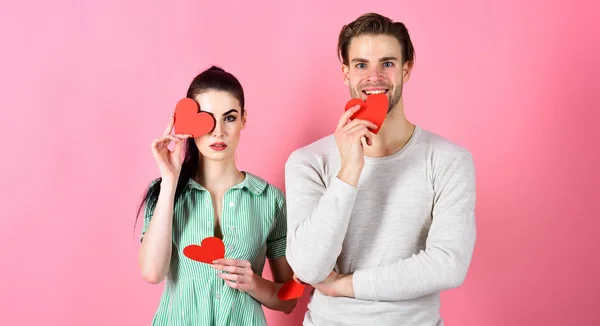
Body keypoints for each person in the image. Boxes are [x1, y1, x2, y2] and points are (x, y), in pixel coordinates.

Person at [284, 12, 477, 326]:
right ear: (346, 73)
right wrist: (349, 170)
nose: (374, 77)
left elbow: (448, 264)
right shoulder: (307, 161)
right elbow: (308, 268)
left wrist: (344, 286)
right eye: (361, 65)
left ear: (406, 69)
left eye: (387, 63)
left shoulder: (449, 159)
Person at [136, 66, 297, 325]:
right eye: (208, 119)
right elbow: (152, 273)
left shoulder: (271, 200)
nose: (218, 131)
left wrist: (253, 283)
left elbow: (290, 298)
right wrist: (169, 180)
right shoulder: (166, 192)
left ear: (244, 119)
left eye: (230, 118)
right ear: (188, 123)